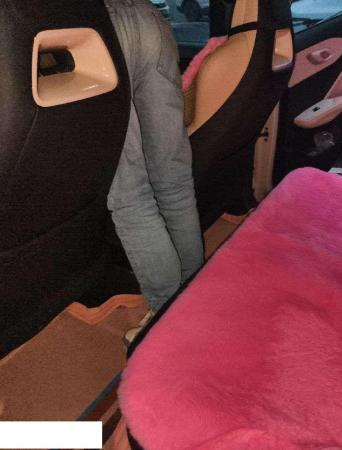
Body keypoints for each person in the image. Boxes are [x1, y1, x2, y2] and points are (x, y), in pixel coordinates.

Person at [104, 0, 204, 315]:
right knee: (176, 182)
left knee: (131, 197)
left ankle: (167, 317)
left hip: (97, 27)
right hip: (148, 18)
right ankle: (195, 298)